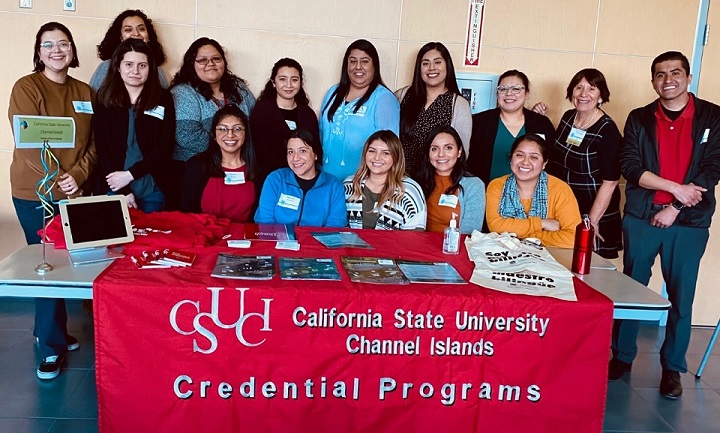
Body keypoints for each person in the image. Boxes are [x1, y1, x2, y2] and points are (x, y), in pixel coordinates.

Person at [610, 51, 720, 400]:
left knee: (681, 298)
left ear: (688, 77)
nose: (667, 79)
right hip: (642, 218)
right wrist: (673, 188)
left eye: (675, 73)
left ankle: (672, 368)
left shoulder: (712, 117)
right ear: (653, 80)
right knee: (631, 291)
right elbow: (629, 166)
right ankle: (622, 356)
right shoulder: (640, 118)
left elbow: (714, 168)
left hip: (688, 223)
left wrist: (674, 206)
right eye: (660, 74)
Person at [8, 22, 95, 380]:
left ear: (73, 51)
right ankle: (50, 348)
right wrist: (59, 179)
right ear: (38, 51)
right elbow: (27, 139)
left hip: (73, 190)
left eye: (63, 44)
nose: (57, 50)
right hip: (36, 192)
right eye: (48, 45)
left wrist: (79, 175)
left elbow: (93, 144)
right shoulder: (26, 87)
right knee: (47, 263)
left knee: (65, 262)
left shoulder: (85, 91)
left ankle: (50, 329)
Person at [547, 68, 622, 259]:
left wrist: (591, 221)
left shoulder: (607, 131)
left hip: (592, 209)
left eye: (591, 88)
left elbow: (611, 181)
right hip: (565, 206)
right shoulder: (568, 117)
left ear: (601, 96)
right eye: (578, 87)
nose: (583, 94)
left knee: (588, 270)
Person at [94, 39, 175, 213]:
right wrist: (122, 189)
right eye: (129, 64)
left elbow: (165, 146)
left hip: (152, 188)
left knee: (152, 239)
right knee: (116, 240)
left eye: (142, 65)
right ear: (118, 66)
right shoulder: (104, 98)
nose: (135, 71)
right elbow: (102, 148)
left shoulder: (163, 98)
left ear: (150, 68)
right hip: (114, 188)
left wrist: (130, 175)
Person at [320, 39, 400, 181]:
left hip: (361, 184)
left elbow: (390, 147)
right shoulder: (333, 93)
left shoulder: (384, 99)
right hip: (327, 182)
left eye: (364, 61)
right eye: (352, 61)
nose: (358, 67)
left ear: (374, 66)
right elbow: (321, 134)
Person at [486, 134, 580, 247]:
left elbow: (573, 238)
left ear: (544, 164)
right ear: (511, 158)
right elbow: (495, 227)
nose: (525, 162)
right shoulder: (496, 186)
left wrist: (524, 238)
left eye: (534, 157)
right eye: (519, 155)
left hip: (549, 260)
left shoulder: (560, 189)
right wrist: (541, 223)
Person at [170, 37, 256, 162]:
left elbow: (255, 122)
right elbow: (187, 135)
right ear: (191, 64)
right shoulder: (183, 92)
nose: (210, 64)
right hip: (195, 167)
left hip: (240, 164)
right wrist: (230, 149)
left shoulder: (239, 88)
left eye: (216, 59)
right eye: (202, 60)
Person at [395, 42, 471, 178]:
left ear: (447, 65)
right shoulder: (403, 95)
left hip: (435, 182)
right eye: (425, 63)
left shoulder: (458, 104)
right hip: (400, 180)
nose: (431, 68)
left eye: (437, 62)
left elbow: (461, 153)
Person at [467, 70, 555, 185]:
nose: (509, 93)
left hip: (531, 194)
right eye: (503, 89)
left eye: (516, 89)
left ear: (527, 93)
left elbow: (551, 161)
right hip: (487, 192)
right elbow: (468, 162)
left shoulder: (541, 123)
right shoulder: (479, 122)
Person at [181, 105, 258, 223]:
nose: (230, 134)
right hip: (206, 236)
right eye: (222, 129)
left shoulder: (258, 170)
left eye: (237, 129)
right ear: (214, 135)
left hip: (243, 239)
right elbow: (187, 213)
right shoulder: (197, 166)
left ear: (246, 134)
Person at [255, 129, 347, 227]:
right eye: (290, 152)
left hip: (316, 242)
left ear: (316, 154)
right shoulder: (275, 179)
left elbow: (335, 226)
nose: (295, 158)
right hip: (279, 241)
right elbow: (264, 221)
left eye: (302, 151)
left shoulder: (334, 185)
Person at [250, 58, 319, 187]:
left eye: (294, 79)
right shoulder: (262, 111)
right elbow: (259, 151)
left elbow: (314, 148)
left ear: (300, 83)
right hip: (270, 180)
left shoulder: (307, 113)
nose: (289, 85)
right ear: (273, 83)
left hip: (302, 179)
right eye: (282, 79)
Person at [344, 130, 426, 230]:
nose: (377, 157)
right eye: (372, 151)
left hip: (396, 246)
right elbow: (342, 229)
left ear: (396, 157)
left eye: (386, 153)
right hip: (352, 245)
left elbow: (415, 238)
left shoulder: (410, 191)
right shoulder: (350, 185)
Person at [416, 125, 485, 234]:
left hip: (452, 247)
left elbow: (470, 232)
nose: (441, 154)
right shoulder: (418, 182)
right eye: (434, 149)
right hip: (420, 245)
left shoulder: (474, 185)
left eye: (448, 148)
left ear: (459, 152)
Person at [89, 9, 168, 91]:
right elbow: (94, 99)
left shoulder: (158, 70)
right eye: (128, 30)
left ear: (149, 36)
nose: (136, 34)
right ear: (120, 37)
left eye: (141, 29)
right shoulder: (106, 67)